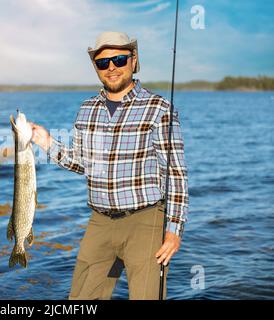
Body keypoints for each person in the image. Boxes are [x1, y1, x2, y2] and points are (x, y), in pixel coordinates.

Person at [30, 31, 188, 300]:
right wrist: (46, 142)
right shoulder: (87, 108)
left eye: (119, 59)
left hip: (146, 221)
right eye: (103, 63)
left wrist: (173, 229)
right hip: (99, 222)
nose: (111, 68)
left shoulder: (159, 108)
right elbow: (84, 163)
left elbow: (175, 173)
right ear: (96, 68)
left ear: (133, 61)